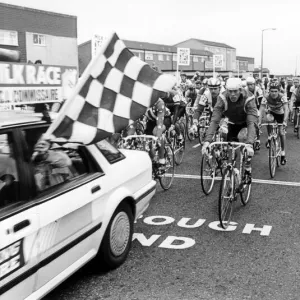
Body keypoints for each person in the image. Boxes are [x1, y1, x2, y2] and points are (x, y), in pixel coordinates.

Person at [202, 78, 258, 182]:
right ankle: (234, 170)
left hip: (246, 123)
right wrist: (207, 141)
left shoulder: (249, 98)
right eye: (230, 91)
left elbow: (251, 123)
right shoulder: (222, 97)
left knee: (242, 138)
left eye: (235, 91)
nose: (232, 94)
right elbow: (214, 121)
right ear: (227, 90)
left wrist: (249, 143)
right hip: (233, 123)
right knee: (231, 148)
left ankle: (247, 166)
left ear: (240, 90)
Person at [258, 82, 288, 165]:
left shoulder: (282, 97)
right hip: (272, 113)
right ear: (269, 91)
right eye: (272, 91)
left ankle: (283, 153)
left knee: (281, 132)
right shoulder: (266, 97)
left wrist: (285, 121)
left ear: (278, 91)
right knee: (268, 119)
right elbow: (261, 109)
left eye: (275, 91)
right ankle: (269, 136)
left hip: (280, 114)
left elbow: (286, 109)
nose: (273, 93)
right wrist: (259, 122)